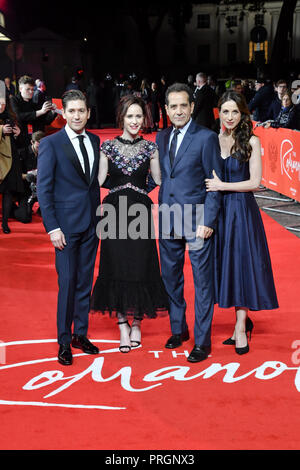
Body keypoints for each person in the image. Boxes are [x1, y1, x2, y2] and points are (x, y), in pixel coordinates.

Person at [90, 95, 169, 352]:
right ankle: (123, 324)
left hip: (140, 212)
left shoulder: (150, 148)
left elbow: (158, 179)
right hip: (113, 212)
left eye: (138, 116)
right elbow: (100, 179)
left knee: (141, 264)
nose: (134, 121)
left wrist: (139, 190)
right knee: (116, 264)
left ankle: (137, 322)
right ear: (121, 118)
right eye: (130, 116)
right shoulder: (108, 147)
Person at [205, 91, 279, 355]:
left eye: (235, 112)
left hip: (242, 211)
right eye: (225, 111)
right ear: (219, 113)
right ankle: (242, 321)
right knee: (225, 266)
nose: (230, 117)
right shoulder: (214, 140)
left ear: (243, 113)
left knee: (241, 266)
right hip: (219, 212)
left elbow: (255, 183)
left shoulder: (252, 141)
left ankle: (239, 328)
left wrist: (221, 185)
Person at [156, 83, 223, 363]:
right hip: (167, 218)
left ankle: (202, 341)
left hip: (197, 220)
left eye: (184, 105)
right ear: (167, 109)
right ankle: (178, 329)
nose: (179, 110)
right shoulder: (161, 137)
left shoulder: (206, 138)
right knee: (171, 278)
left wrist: (208, 219)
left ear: (192, 107)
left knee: (202, 282)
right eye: (173, 106)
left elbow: (215, 183)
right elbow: (163, 176)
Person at [37, 89, 100, 366]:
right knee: (67, 283)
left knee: (85, 282)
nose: (76, 115)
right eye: (71, 111)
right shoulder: (51, 144)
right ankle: (64, 341)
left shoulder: (96, 140)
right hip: (64, 227)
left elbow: (93, 183)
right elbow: (44, 189)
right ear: (64, 114)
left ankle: (80, 334)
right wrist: (52, 228)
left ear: (88, 113)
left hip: (91, 224)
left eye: (81, 111)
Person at [0, 99, 25, 233]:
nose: (1, 106)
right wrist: (1, 130)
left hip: (12, 160)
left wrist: (18, 135)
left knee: (8, 192)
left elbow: (22, 145)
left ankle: (5, 224)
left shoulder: (12, 117)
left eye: (3, 104)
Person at [10, 75, 56, 146]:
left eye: (32, 89)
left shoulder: (35, 100)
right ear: (20, 89)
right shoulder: (14, 100)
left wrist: (53, 112)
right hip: (22, 138)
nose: (31, 91)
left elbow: (45, 121)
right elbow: (19, 116)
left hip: (37, 139)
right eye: (28, 89)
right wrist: (40, 111)